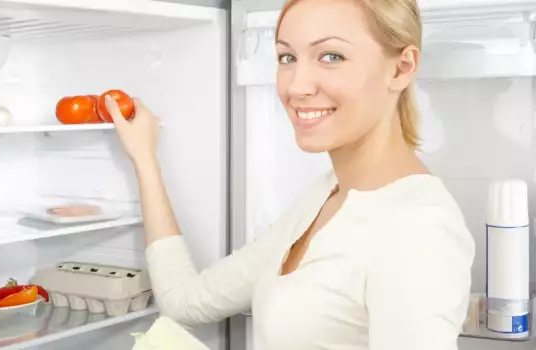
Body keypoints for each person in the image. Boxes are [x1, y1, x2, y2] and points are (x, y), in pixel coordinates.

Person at [106, 0, 475, 349]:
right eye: (287, 57)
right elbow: (185, 302)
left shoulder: (419, 228)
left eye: (332, 56)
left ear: (402, 67)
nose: (296, 86)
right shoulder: (328, 194)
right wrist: (145, 160)